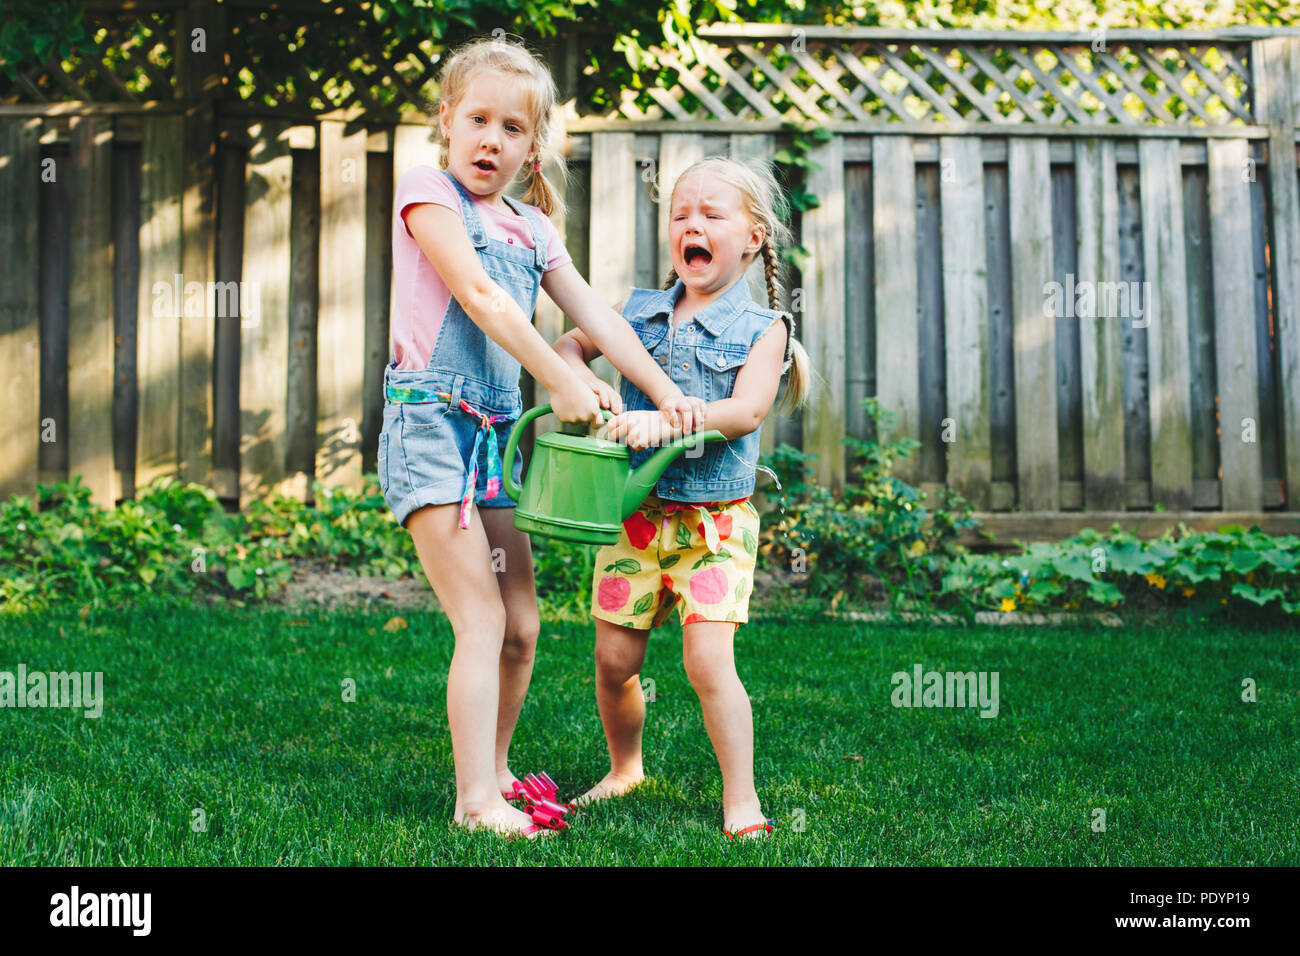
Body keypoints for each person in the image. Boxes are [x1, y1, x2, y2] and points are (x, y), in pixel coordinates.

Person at [379, 36, 706, 838]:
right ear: (448, 122)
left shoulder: (532, 227)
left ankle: (494, 770)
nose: (492, 139)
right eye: (478, 120)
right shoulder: (428, 192)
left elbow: (598, 317)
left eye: (513, 128)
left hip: (494, 438)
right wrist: (560, 379)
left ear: (534, 147)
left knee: (523, 625)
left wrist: (667, 394)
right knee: (482, 621)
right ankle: (473, 804)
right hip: (431, 428)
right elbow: (484, 298)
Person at [552, 156, 812, 839]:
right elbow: (568, 346)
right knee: (614, 661)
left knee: (707, 662)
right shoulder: (635, 309)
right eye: (680, 214)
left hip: (713, 529)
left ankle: (742, 799)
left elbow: (746, 412)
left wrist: (667, 418)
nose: (691, 225)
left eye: (711, 215)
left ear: (754, 239)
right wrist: (583, 384)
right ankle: (624, 769)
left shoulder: (765, 330)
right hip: (632, 520)